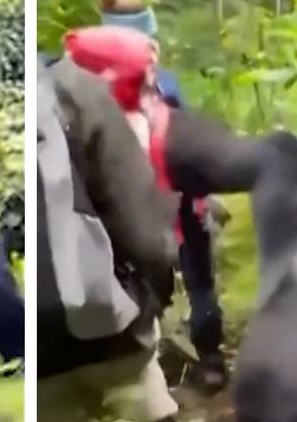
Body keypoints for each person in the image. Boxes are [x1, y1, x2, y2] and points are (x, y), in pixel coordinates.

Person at [35, 56, 181, 422]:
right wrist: (154, 303)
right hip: (114, 342)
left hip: (36, 371)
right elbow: (149, 240)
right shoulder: (72, 87)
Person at [99, 0, 231, 394]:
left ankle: (152, 372)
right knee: (200, 282)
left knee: (142, 289)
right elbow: (186, 144)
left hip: (133, 211)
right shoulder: (166, 85)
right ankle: (210, 362)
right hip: (183, 201)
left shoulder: (92, 89)